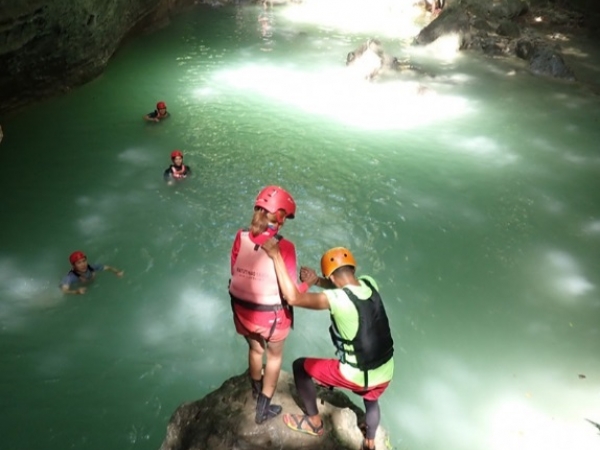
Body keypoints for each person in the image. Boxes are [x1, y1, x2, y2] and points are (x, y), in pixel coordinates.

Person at [261, 244, 394, 450]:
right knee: (371, 399)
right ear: (353, 269)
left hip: (355, 376)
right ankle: (370, 440)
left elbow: (293, 298)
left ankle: (314, 423)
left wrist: (277, 256)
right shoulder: (369, 283)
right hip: (385, 372)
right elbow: (345, 288)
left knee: (300, 366)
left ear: (331, 278)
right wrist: (316, 281)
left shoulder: (337, 299)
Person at [229, 185, 309, 424]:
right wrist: (309, 283)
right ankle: (263, 410)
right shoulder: (285, 247)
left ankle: (254, 390)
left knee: (255, 350)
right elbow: (291, 293)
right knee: (274, 359)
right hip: (271, 319)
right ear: (281, 218)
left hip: (241, 311)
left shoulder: (240, 236)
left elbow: (234, 271)